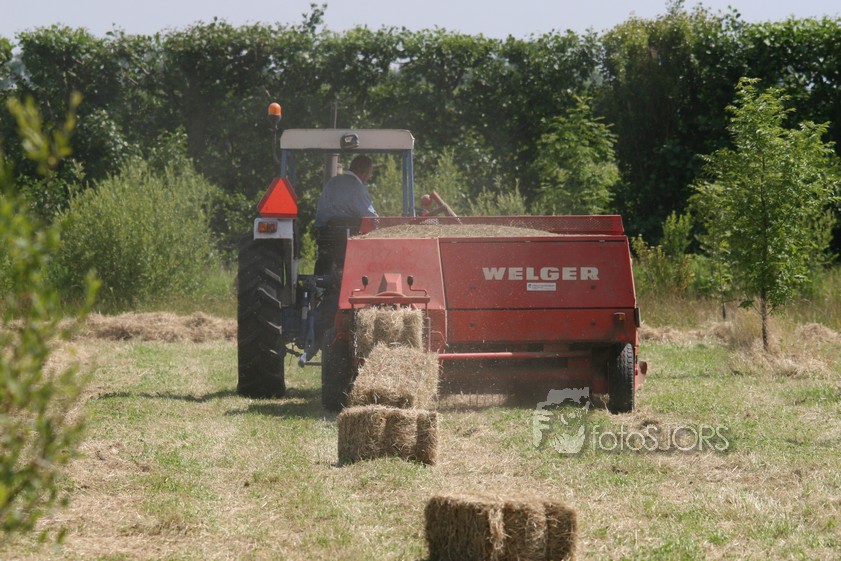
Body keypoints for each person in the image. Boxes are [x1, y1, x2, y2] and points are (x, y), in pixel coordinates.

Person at [314, 155, 377, 275]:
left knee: (323, 266)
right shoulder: (358, 188)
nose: (369, 177)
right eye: (370, 173)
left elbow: (321, 214)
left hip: (326, 239)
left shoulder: (332, 182)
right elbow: (371, 218)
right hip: (349, 243)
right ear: (364, 173)